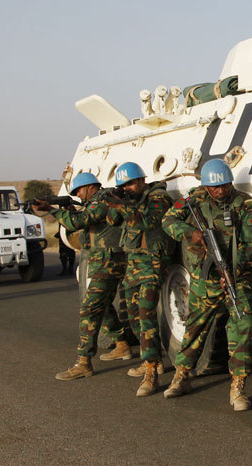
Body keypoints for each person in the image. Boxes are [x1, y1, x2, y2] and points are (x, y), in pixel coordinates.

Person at [161, 159, 252, 410]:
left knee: (243, 323)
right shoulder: (194, 199)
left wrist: (233, 273)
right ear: (205, 186)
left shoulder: (243, 203)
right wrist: (190, 233)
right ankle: (182, 376)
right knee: (194, 328)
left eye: (224, 186)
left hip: (235, 276)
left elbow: (248, 245)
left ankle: (238, 387)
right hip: (205, 278)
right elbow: (168, 221)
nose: (220, 191)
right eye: (214, 188)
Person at [43, 172, 135, 381]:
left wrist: (51, 211)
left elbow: (79, 222)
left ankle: (84, 362)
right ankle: (121, 344)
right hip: (105, 260)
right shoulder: (96, 201)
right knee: (102, 306)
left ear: (89, 187)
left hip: (109, 261)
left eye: (79, 191)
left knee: (89, 309)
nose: (78, 195)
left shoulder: (102, 200)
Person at [104, 162, 175, 397]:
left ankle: (152, 371)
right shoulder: (129, 200)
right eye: (123, 185)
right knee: (133, 315)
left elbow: (149, 222)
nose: (128, 188)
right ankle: (150, 360)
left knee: (146, 317)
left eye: (131, 183)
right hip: (134, 264)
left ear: (143, 181)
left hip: (153, 263)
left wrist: (123, 205)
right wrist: (116, 202)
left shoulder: (158, 197)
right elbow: (113, 221)